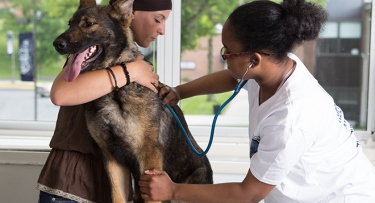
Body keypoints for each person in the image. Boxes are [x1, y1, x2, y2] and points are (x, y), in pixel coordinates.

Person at [138, 0, 375, 202]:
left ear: (254, 60)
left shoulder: (290, 118)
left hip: (338, 196)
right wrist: (180, 91)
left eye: (227, 52)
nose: (224, 58)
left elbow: (248, 194)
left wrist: (173, 190)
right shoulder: (277, 64)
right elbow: (233, 78)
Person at [36, 0, 172, 202]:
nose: (161, 30)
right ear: (131, 13)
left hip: (109, 191)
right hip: (72, 186)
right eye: (158, 19)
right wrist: (131, 71)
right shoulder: (87, 54)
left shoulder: (133, 61)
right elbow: (60, 94)